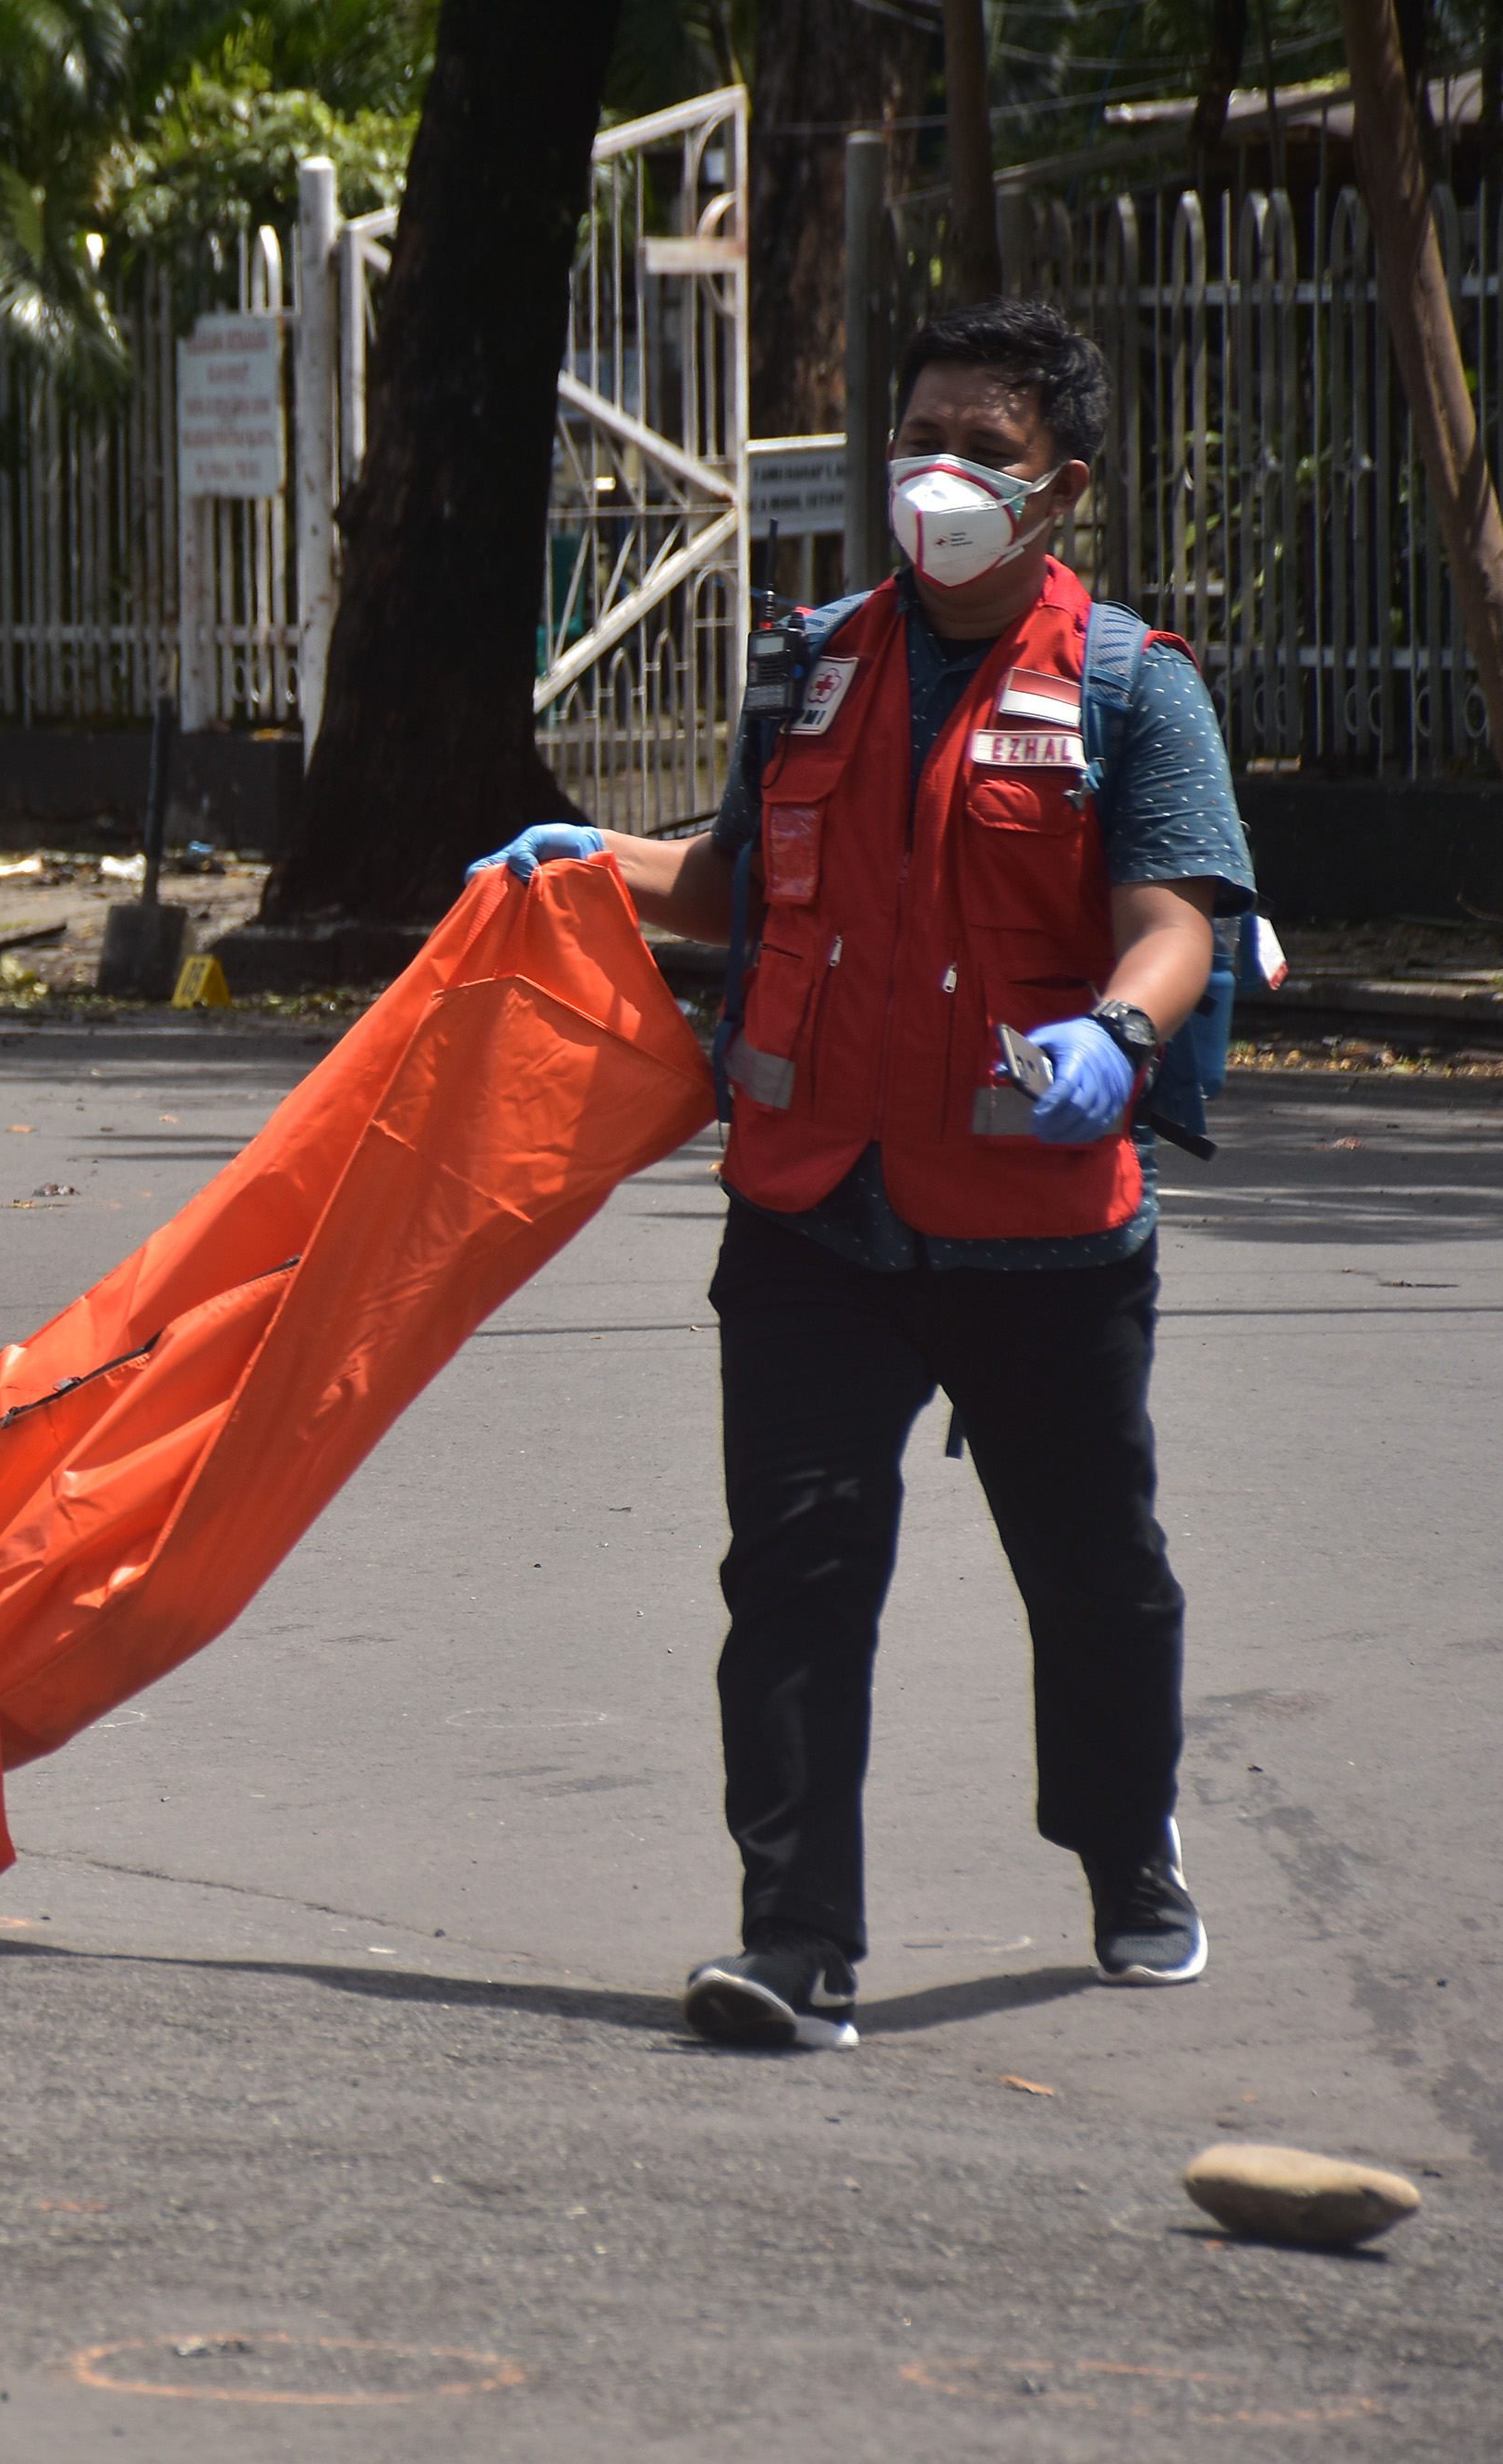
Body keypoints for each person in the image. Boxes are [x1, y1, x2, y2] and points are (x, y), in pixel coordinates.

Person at [474, 299, 1252, 2052]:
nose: (941, 476)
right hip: (816, 1209)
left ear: (1062, 487)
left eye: (983, 446)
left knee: (1097, 1572)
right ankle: (796, 1939)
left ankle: (1129, 1852)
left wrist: (1116, 1040)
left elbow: (1178, 915)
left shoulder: (1136, 682)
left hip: (1041, 1228)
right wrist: (596, 864)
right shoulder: (809, 657)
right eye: (920, 436)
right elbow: (747, 880)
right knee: (798, 1574)